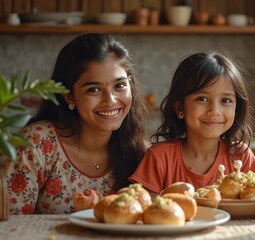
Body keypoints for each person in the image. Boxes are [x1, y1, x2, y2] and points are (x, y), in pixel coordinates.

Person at [5, 33, 150, 214]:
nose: (110, 100)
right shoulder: (36, 145)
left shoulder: (140, 152)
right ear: (69, 97)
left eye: (119, 85)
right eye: (94, 89)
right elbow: (9, 225)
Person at [129, 52, 255, 194]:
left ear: (236, 109)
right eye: (202, 99)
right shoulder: (160, 158)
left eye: (225, 101)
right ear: (180, 108)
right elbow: (144, 206)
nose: (214, 111)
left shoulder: (241, 156)